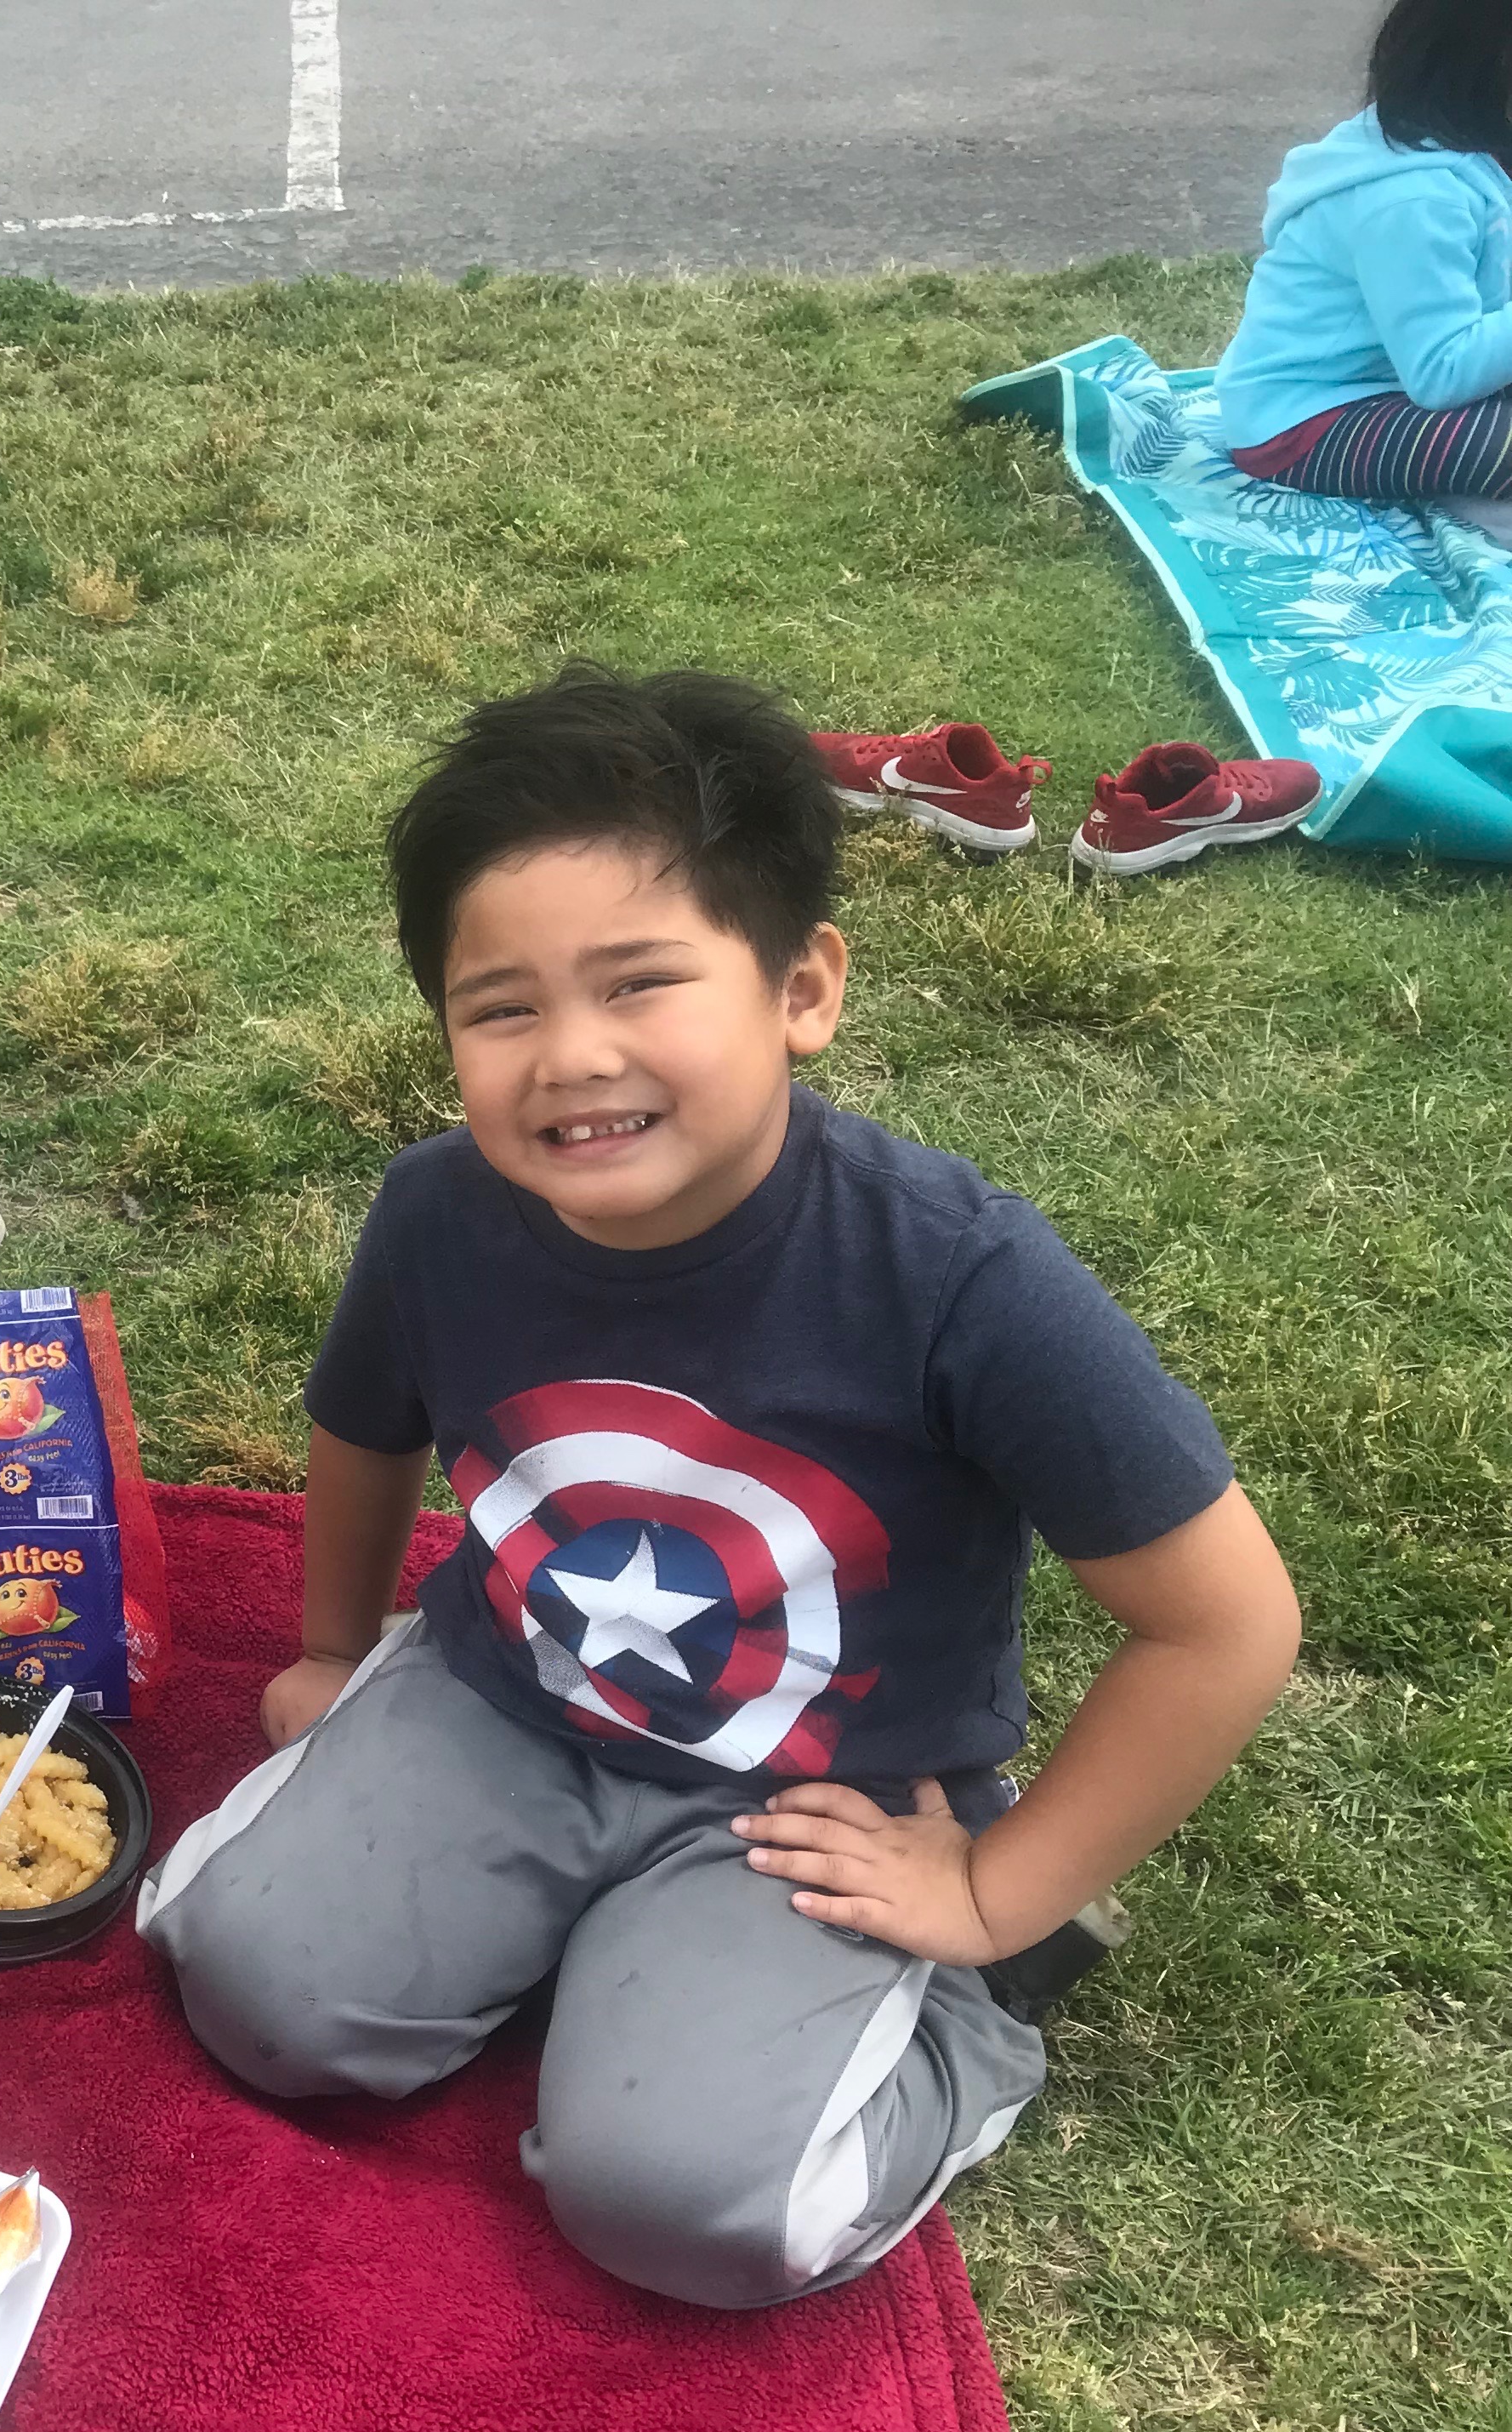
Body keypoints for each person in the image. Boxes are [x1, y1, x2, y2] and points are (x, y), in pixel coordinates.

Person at [137, 669, 1301, 2310]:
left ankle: (973, 2002)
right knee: (259, 1995)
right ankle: (580, 1937)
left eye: (639, 981)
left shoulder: (955, 1277)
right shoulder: (438, 1213)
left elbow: (1226, 1622)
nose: (572, 1055)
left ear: (802, 985)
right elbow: (360, 1423)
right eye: (500, 1005)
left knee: (681, 2203)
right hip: (510, 1692)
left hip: (815, 1799)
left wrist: (993, 1885)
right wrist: (333, 1650)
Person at [1219, 0, 1512, 506]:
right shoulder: (1414, 198)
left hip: (1393, 382)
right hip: (1303, 423)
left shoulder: (1461, 142)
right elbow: (1442, 372)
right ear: (1487, 68)